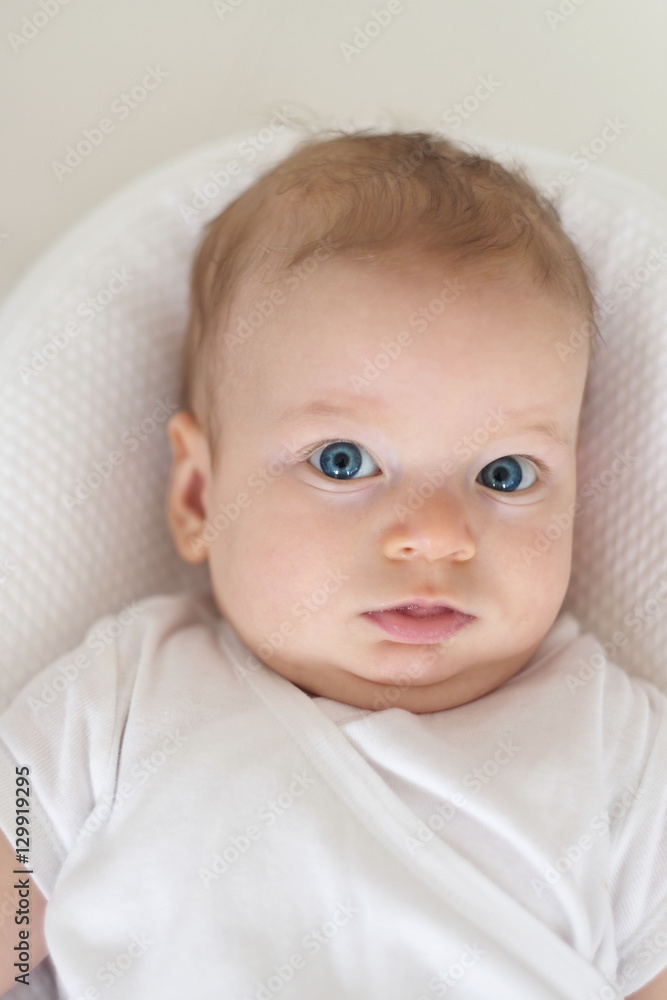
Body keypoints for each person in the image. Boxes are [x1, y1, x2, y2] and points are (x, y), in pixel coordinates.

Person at [1, 129, 665, 999]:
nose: (435, 535)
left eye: (503, 475)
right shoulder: (114, 702)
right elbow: (15, 933)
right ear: (202, 499)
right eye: (343, 461)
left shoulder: (619, 751)